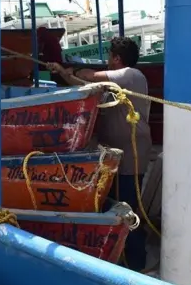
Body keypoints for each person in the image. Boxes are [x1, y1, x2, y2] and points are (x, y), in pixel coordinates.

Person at [48, 36, 152, 271]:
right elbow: (81, 84)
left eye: (109, 57)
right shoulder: (111, 87)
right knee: (113, 205)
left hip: (132, 156)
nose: (107, 61)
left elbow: (87, 76)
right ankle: (119, 255)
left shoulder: (130, 75)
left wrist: (68, 68)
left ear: (116, 58)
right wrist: (63, 73)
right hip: (112, 157)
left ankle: (137, 263)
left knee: (128, 208)